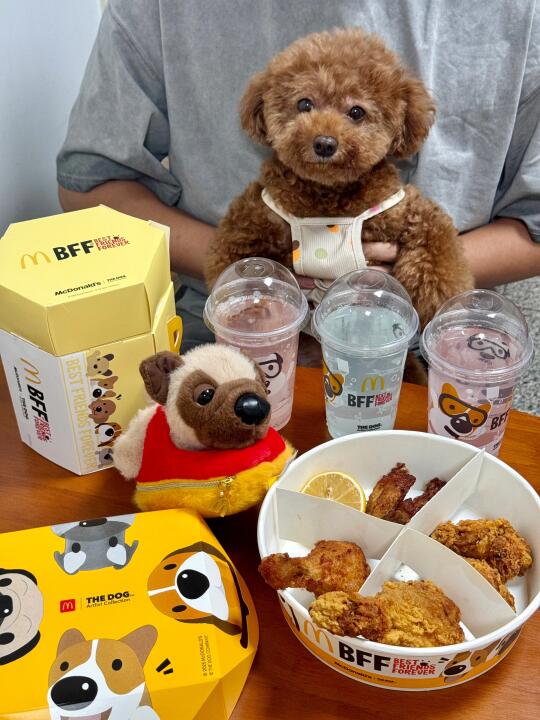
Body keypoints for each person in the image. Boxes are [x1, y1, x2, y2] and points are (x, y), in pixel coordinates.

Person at [57, 0, 540, 351]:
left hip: (430, 333)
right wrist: (253, 275)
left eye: (356, 112)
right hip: (232, 318)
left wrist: (404, 278)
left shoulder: (519, 14)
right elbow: (90, 184)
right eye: (304, 105)